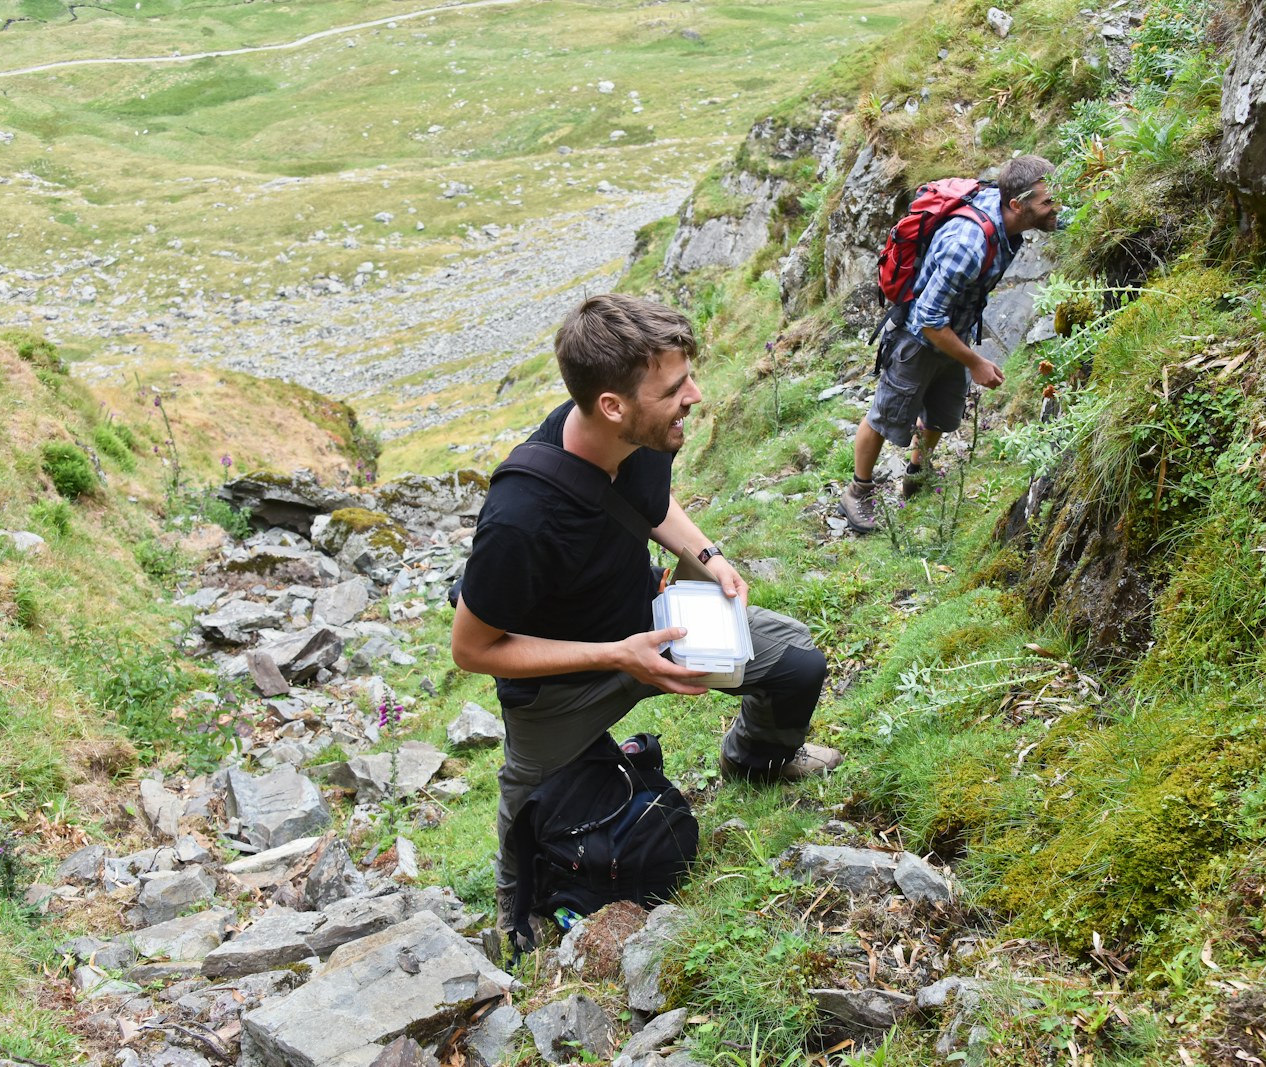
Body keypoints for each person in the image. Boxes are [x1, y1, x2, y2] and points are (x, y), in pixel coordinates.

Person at [450, 293, 839, 925]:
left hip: (652, 625)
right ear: (612, 405)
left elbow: (650, 504)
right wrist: (616, 657)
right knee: (527, 807)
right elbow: (471, 650)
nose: (696, 396)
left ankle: (757, 756)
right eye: (677, 387)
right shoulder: (521, 518)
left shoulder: (649, 429)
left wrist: (705, 555)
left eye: (689, 377)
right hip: (561, 688)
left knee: (795, 662)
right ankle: (514, 918)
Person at [838, 155, 1061, 534]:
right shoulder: (967, 245)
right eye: (1048, 203)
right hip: (919, 338)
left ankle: (917, 475)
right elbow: (928, 320)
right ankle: (858, 491)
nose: (1056, 208)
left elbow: (1059, 216)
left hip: (953, 332)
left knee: (942, 414)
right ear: (1016, 205)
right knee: (884, 415)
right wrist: (975, 361)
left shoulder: (1008, 212)